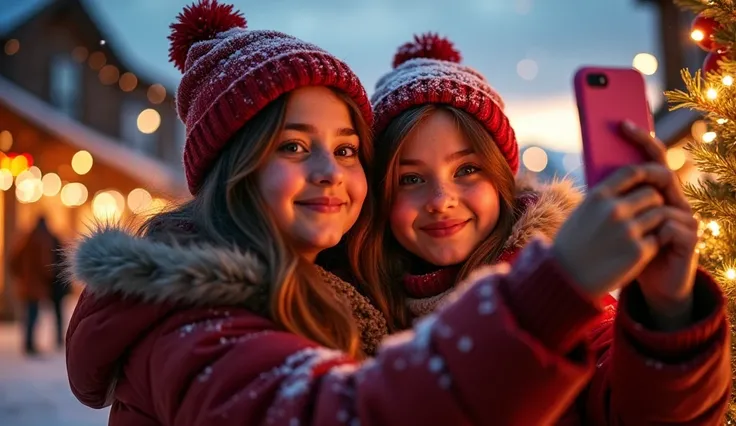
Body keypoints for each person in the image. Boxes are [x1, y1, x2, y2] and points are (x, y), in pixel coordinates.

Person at [64, 2, 726, 424]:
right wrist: (555, 288)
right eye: (293, 146)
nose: (441, 198)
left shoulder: (329, 295)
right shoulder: (218, 317)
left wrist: (667, 310)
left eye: (346, 148)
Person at [350, 32, 730, 424]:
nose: (441, 199)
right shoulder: (357, 306)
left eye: (467, 170)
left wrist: (670, 312)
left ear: (501, 179)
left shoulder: (560, 297)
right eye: (411, 179)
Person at [10, 216, 64, 356]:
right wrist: (51, 276)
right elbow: (44, 264)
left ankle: (28, 343)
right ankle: (29, 344)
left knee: (29, 314)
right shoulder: (42, 240)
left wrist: (21, 276)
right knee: (33, 314)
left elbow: (14, 261)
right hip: (36, 285)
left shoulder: (26, 239)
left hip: (27, 284)